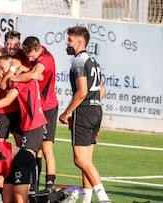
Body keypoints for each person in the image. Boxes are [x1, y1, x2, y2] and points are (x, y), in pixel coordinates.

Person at [58, 26, 109, 203]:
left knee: (80, 160)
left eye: (70, 40)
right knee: (87, 160)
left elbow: (81, 91)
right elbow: (102, 91)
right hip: (96, 110)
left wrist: (66, 113)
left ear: (80, 41)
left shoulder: (78, 61)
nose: (67, 43)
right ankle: (86, 200)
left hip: (84, 111)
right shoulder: (93, 61)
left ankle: (103, 199)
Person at [0, 54, 48, 197]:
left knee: (28, 157)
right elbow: (38, 76)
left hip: (33, 124)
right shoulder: (28, 76)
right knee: (28, 157)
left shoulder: (21, 81)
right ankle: (32, 189)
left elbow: (8, 100)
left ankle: (33, 190)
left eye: (4, 69)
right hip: (32, 123)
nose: (3, 72)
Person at [9, 36, 58, 192]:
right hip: (34, 107)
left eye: (31, 56)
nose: (29, 58)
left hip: (47, 107)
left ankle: (50, 185)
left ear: (38, 49)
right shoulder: (30, 54)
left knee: (46, 148)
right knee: (33, 150)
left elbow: (35, 75)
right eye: (27, 55)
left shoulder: (45, 59)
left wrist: (14, 77)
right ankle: (34, 186)